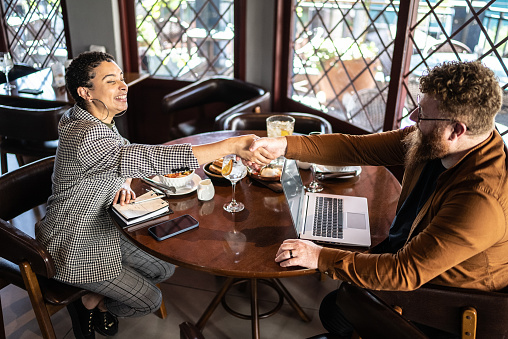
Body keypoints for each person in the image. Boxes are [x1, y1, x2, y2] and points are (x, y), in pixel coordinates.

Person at [250, 60, 507, 338]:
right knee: (337, 306)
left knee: (335, 312)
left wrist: (318, 256)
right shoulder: (438, 142)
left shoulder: (480, 199)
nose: (412, 117)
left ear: (457, 130)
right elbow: (357, 147)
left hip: (445, 305)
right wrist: (285, 145)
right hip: (409, 259)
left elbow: (404, 272)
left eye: (423, 115)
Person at [35, 51, 271, 339]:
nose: (124, 86)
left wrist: (121, 180)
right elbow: (147, 158)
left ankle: (93, 299)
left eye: (122, 79)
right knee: (150, 300)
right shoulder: (86, 134)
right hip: (75, 244)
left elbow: (118, 156)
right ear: (85, 92)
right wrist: (231, 145)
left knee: (165, 268)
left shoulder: (93, 117)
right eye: (112, 81)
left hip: (106, 227)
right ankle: (89, 303)